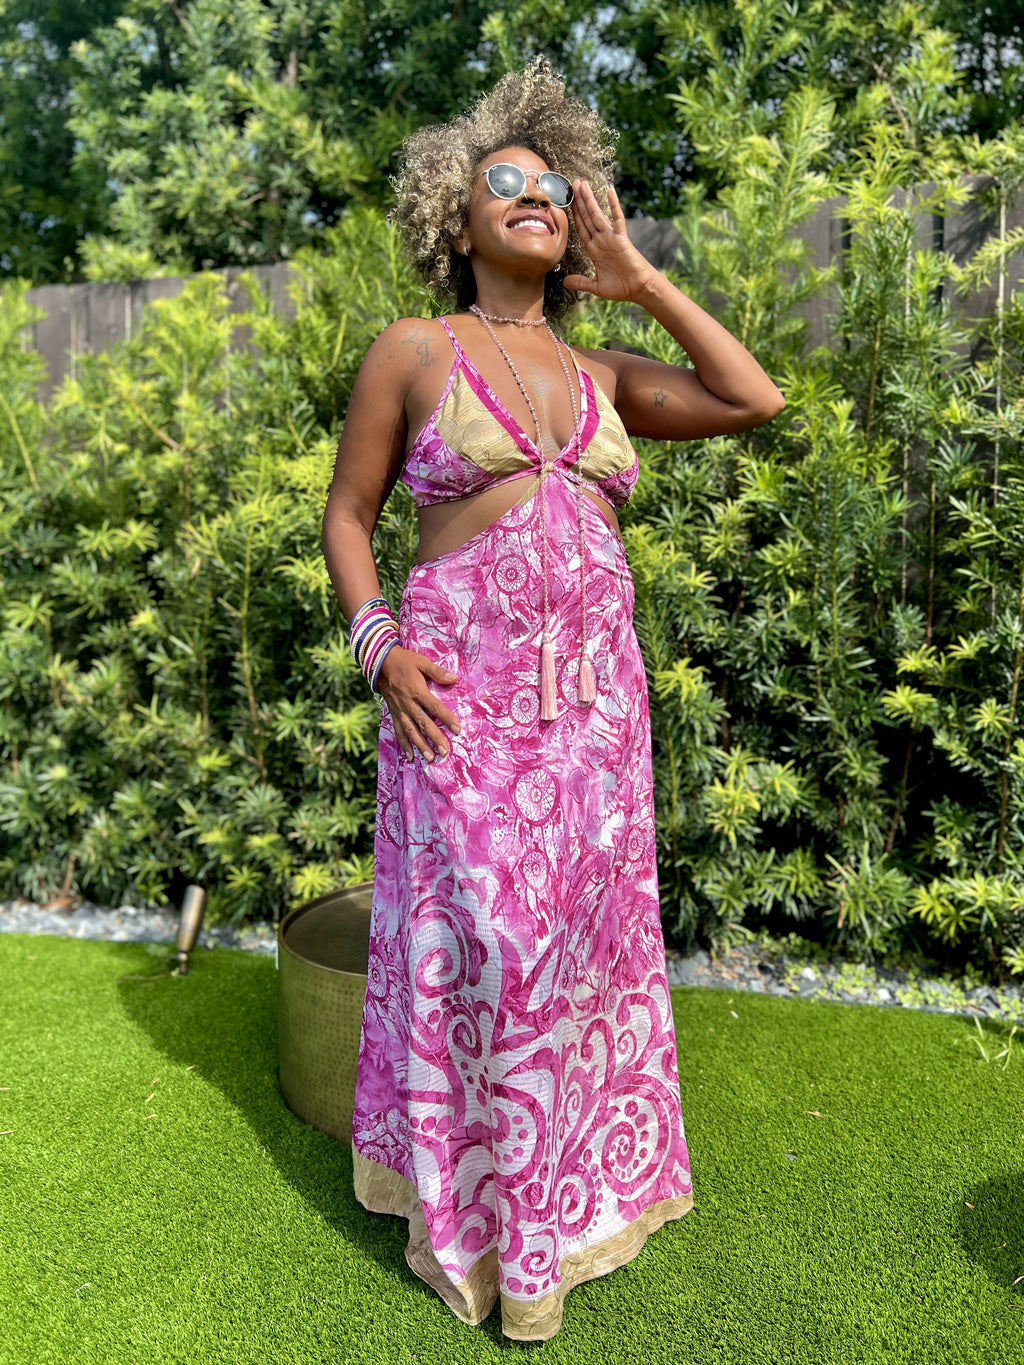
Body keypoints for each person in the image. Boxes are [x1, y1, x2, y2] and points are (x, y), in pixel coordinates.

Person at [321, 57, 785, 1342]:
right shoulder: (416, 349)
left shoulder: (607, 372)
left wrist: (641, 282)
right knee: (489, 957)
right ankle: (480, 1228)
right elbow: (349, 514)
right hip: (462, 711)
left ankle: (578, 1207)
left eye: (551, 186)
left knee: (582, 960)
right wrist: (377, 645)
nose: (533, 196)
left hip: (593, 722)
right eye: (503, 183)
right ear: (455, 219)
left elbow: (753, 397)